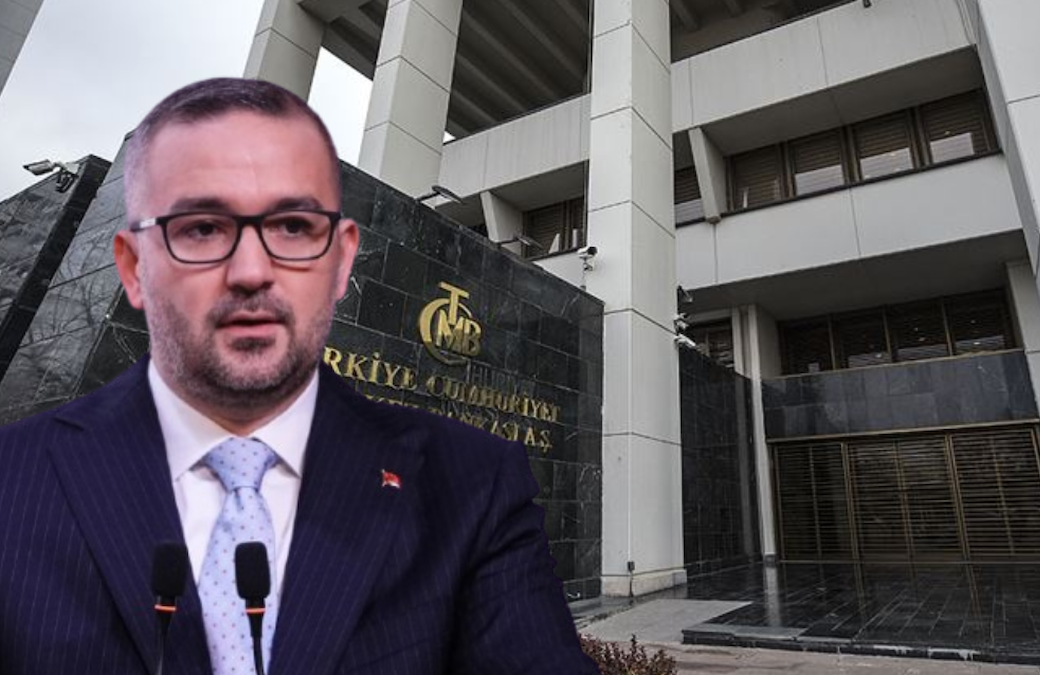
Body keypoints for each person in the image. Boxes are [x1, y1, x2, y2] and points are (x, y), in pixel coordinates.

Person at [0, 78, 599, 674]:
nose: (251, 271)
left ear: (340, 264)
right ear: (134, 268)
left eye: (291, 227)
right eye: (202, 228)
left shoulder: (473, 485)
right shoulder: (13, 479)